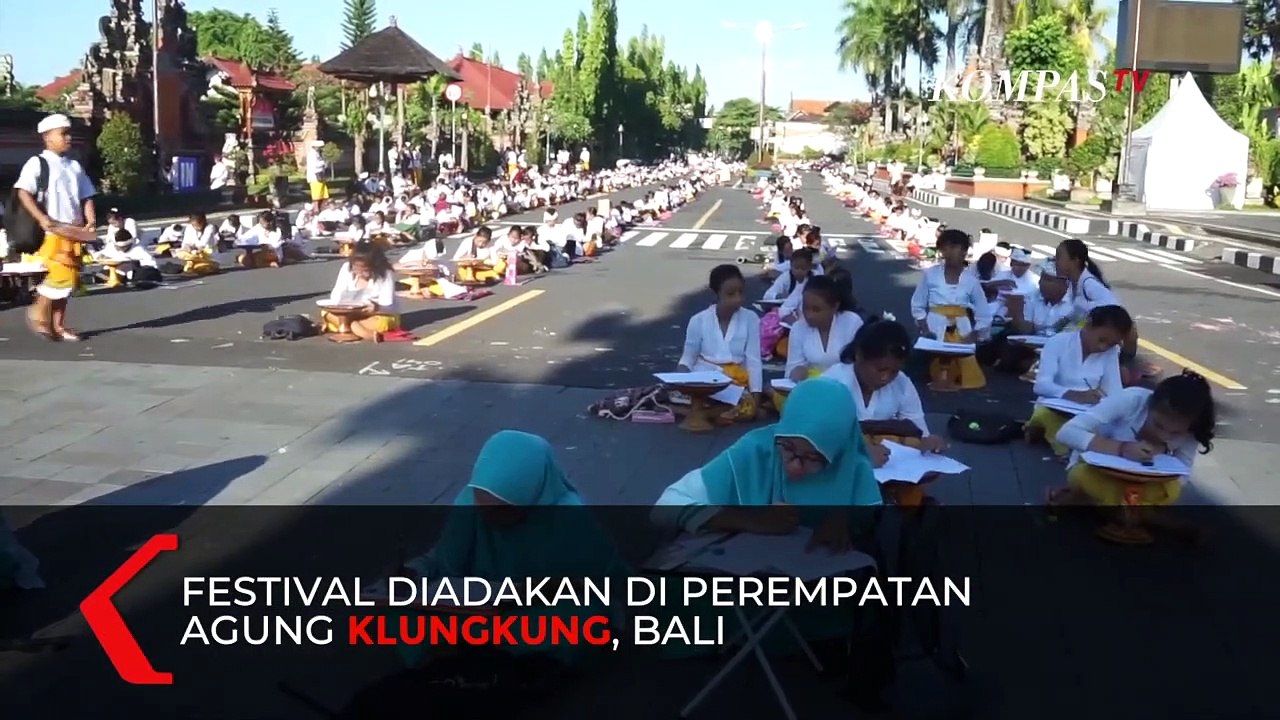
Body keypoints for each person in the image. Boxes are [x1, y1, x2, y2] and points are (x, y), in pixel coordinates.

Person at [395, 431, 627, 665]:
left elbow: (606, 586)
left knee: (580, 619)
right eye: (481, 504)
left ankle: (469, 653)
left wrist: (549, 588)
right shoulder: (469, 504)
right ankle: (490, 656)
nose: (486, 517)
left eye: (502, 509)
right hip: (472, 609)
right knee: (401, 613)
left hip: (533, 613)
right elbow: (439, 560)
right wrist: (413, 572)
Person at [653, 377, 881, 547]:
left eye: (813, 458)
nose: (794, 466)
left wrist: (846, 521)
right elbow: (665, 507)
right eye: (787, 448)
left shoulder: (854, 468)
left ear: (837, 453)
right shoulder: (757, 450)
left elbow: (869, 527)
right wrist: (749, 520)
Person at [1050, 370, 1216, 544]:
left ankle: (1101, 505)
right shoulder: (1131, 399)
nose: (1164, 435)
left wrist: (1155, 469)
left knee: (1172, 489)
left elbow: (1182, 474)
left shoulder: (1194, 428)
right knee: (1081, 476)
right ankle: (1140, 514)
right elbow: (1066, 432)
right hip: (1100, 473)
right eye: (1158, 425)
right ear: (1149, 406)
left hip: (1145, 484)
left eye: (1176, 433)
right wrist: (1122, 448)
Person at [14, 113, 96, 341]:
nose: (68, 138)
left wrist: (90, 219)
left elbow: (87, 195)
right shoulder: (37, 163)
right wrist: (41, 218)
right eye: (63, 134)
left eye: (69, 133)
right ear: (47, 137)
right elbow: (23, 192)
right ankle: (37, 311)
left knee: (69, 283)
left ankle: (58, 326)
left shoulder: (75, 165)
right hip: (52, 231)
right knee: (61, 275)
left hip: (74, 231)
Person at [1026, 305, 1132, 456]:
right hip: (1054, 407)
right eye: (1102, 340)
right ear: (1088, 325)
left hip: (1087, 413)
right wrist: (1072, 395)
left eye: (1111, 344)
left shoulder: (1111, 352)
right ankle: (1065, 444)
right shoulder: (1058, 342)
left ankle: (1048, 435)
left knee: (1112, 427)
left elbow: (1114, 392)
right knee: (1045, 415)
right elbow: (1041, 385)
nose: (1103, 347)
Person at [676, 264, 763, 424]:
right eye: (730, 294)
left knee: (747, 406)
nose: (737, 299)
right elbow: (688, 358)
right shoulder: (698, 320)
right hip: (703, 379)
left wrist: (756, 396)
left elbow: (754, 360)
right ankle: (711, 412)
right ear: (715, 293)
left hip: (734, 383)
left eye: (741, 292)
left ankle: (700, 413)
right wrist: (680, 379)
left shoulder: (751, 318)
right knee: (675, 393)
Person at [909, 229, 991, 390]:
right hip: (934, 325)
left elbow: (984, 313)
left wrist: (974, 334)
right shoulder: (930, 274)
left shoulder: (971, 281)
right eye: (945, 248)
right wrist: (925, 329)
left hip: (962, 330)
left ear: (964, 251)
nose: (949, 252)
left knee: (963, 369)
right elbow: (918, 303)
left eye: (954, 247)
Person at [322, 241, 401, 341]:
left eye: (365, 270)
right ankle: (361, 331)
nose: (359, 273)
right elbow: (336, 295)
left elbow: (388, 306)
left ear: (375, 266)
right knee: (325, 312)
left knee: (383, 323)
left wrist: (376, 308)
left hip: (377, 314)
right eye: (356, 269)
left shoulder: (385, 273)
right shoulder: (346, 268)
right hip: (349, 312)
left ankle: (347, 327)